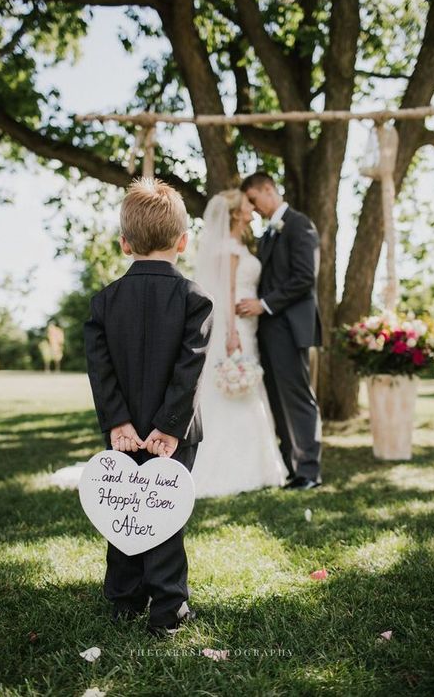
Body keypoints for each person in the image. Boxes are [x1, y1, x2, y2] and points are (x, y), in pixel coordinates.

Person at [83, 178, 213, 636]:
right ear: (183, 240)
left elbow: (100, 371)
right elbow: (190, 369)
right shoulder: (195, 299)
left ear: (123, 243)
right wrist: (170, 426)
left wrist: (119, 421)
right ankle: (168, 608)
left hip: (123, 431)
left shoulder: (104, 302)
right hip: (173, 434)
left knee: (121, 506)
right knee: (164, 511)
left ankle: (124, 599)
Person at [191, 189, 286, 497]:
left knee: (246, 388)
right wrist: (231, 334)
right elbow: (226, 294)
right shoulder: (229, 248)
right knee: (237, 390)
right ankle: (233, 467)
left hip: (248, 326)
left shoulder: (240, 245)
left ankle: (258, 464)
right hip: (236, 329)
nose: (252, 208)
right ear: (235, 213)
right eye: (247, 205)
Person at [238, 172, 322, 490]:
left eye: (255, 200)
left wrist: (264, 304)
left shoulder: (300, 225)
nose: (254, 208)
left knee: (297, 399)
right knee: (276, 399)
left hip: (288, 326)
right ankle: (292, 467)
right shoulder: (269, 234)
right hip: (268, 331)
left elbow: (304, 278)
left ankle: (310, 472)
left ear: (268, 190)